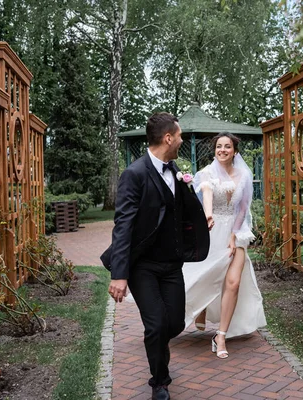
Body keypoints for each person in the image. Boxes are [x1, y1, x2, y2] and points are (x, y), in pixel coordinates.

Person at [104, 112, 209, 400]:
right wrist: (119, 274)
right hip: (142, 266)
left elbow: (179, 211)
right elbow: (123, 225)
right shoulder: (134, 174)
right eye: (180, 135)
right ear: (168, 138)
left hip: (172, 264)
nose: (182, 140)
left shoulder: (174, 170)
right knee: (156, 325)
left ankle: (159, 349)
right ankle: (159, 382)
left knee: (174, 323)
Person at [183, 132, 266, 359]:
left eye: (227, 146)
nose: (222, 150)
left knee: (233, 282)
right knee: (205, 275)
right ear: (215, 150)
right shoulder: (205, 173)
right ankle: (199, 310)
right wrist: (208, 215)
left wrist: (234, 234)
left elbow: (243, 207)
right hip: (210, 233)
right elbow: (207, 193)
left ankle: (220, 335)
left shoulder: (244, 175)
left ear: (234, 151)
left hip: (236, 233)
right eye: (219, 146)